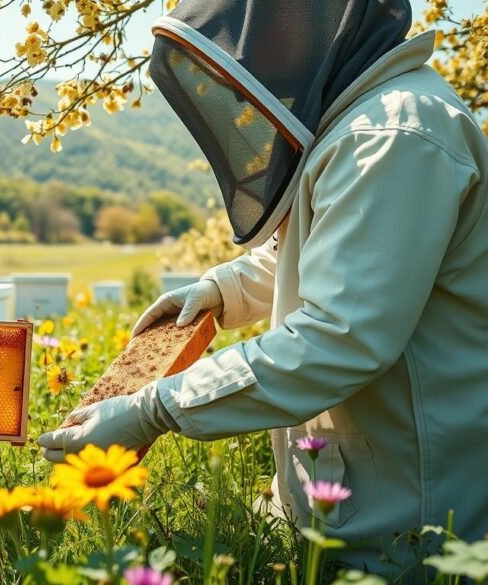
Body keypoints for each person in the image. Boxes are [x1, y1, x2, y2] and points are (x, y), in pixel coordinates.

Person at [38, 0, 488, 576]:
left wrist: (155, 408)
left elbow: (338, 336)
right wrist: (224, 291)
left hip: (408, 526)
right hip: (364, 493)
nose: (248, 47)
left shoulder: (393, 135)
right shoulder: (360, 119)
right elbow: (335, 256)